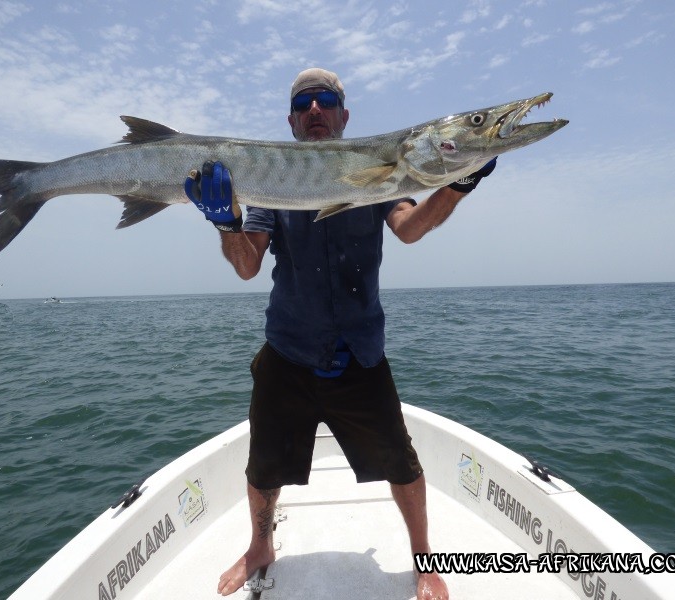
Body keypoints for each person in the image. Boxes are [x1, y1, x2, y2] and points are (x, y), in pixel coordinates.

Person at [186, 68, 496, 600]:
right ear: (290, 120)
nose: (314, 110)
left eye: (325, 100)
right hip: (289, 348)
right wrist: (225, 222)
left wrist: (457, 184)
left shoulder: (375, 174)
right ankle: (261, 546)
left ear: (343, 115)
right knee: (263, 470)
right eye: (303, 102)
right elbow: (246, 266)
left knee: (403, 465)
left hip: (360, 349)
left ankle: (425, 562)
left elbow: (410, 227)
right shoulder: (271, 185)